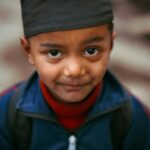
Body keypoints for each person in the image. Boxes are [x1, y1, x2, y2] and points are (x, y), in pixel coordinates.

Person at [0, 0, 150, 149]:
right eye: (54, 53)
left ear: (110, 45)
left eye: (91, 51)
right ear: (28, 51)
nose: (75, 70)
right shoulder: (6, 114)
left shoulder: (132, 117)